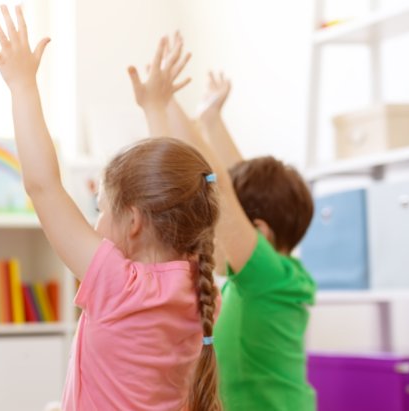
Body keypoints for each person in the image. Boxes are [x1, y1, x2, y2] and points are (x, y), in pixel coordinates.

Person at [0, 7, 222, 410]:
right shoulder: (201, 288)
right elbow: (171, 184)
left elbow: (43, 188)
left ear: (133, 221)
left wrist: (23, 85)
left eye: (101, 208)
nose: (95, 222)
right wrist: (155, 108)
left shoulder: (121, 286)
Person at [128, 32, 317, 410]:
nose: (212, 232)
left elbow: (220, 183)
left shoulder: (268, 279)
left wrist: (165, 104)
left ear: (260, 232)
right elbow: (233, 178)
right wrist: (211, 121)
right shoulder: (269, 279)